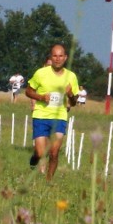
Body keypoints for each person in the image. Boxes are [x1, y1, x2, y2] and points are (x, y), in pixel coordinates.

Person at [25, 44, 80, 180]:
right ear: (51, 57)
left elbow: (73, 103)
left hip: (59, 117)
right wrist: (41, 97)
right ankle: (35, 158)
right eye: (54, 56)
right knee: (40, 153)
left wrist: (71, 95)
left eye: (60, 56)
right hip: (41, 115)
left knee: (54, 153)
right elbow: (28, 91)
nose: (57, 59)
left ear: (65, 58)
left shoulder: (71, 76)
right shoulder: (41, 73)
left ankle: (48, 181)